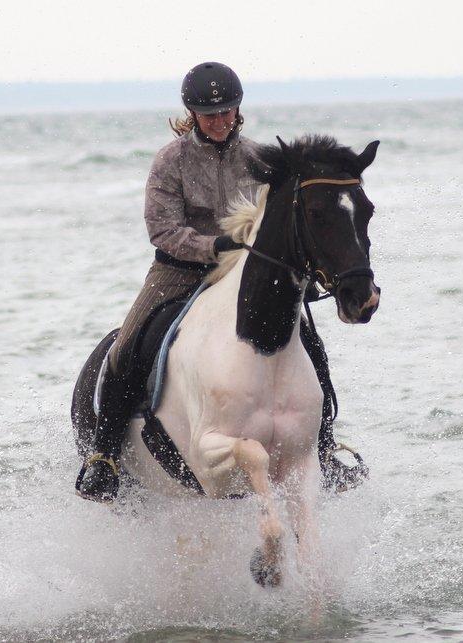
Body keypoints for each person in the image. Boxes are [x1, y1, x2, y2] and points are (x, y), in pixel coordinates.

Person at [77, 62, 365, 501]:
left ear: (238, 110)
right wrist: (216, 246)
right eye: (209, 114)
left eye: (227, 112)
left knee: (311, 345)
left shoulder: (256, 158)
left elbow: (280, 222)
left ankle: (324, 450)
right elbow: (163, 231)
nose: (219, 121)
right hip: (179, 268)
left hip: (247, 269)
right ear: (191, 114)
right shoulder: (170, 161)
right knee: (129, 342)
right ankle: (104, 456)